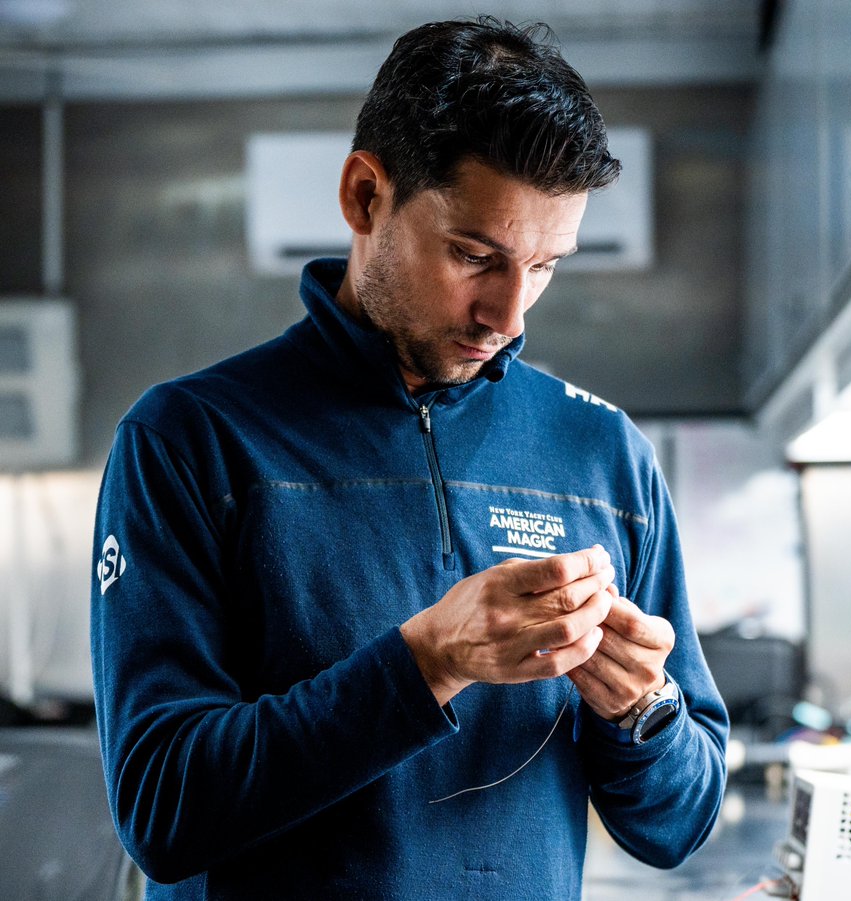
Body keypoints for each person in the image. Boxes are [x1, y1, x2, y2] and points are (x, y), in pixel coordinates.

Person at [91, 16, 728, 900]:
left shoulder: (604, 453)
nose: (509, 315)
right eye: (476, 255)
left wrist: (640, 710)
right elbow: (162, 810)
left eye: (546, 265)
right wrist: (426, 660)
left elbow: (679, 826)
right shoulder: (189, 440)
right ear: (364, 195)